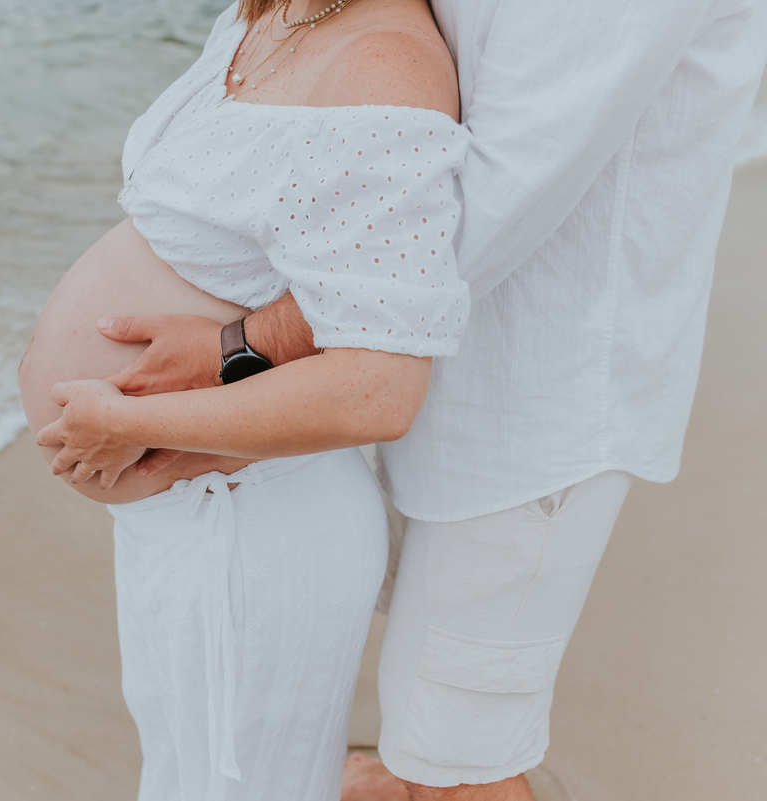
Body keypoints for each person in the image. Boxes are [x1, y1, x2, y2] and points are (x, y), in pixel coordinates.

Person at [45, 1, 767, 800]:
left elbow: (506, 185)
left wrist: (244, 347)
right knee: (410, 708)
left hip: (529, 394)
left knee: (461, 757)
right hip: (389, 367)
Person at [20, 0, 469, 797]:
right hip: (188, 517)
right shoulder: (268, 14)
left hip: (256, 526)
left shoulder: (383, 64)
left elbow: (379, 387)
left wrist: (130, 420)